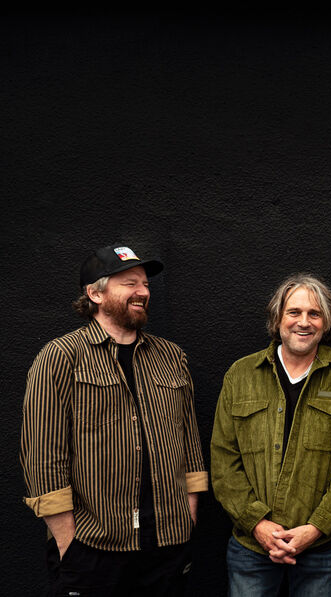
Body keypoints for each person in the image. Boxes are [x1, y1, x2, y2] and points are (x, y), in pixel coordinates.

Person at [20, 244, 208, 596]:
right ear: (95, 293)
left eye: (145, 284)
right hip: (95, 549)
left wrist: (189, 518)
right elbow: (43, 459)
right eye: (129, 283)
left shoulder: (171, 356)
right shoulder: (60, 357)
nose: (143, 292)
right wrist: (68, 546)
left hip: (167, 545)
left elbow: (190, 444)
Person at [211, 273, 331, 597]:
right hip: (251, 548)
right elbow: (223, 459)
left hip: (321, 548)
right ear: (277, 319)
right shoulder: (241, 375)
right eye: (294, 312)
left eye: (314, 314)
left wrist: (314, 529)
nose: (304, 322)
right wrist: (258, 525)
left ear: (326, 323)